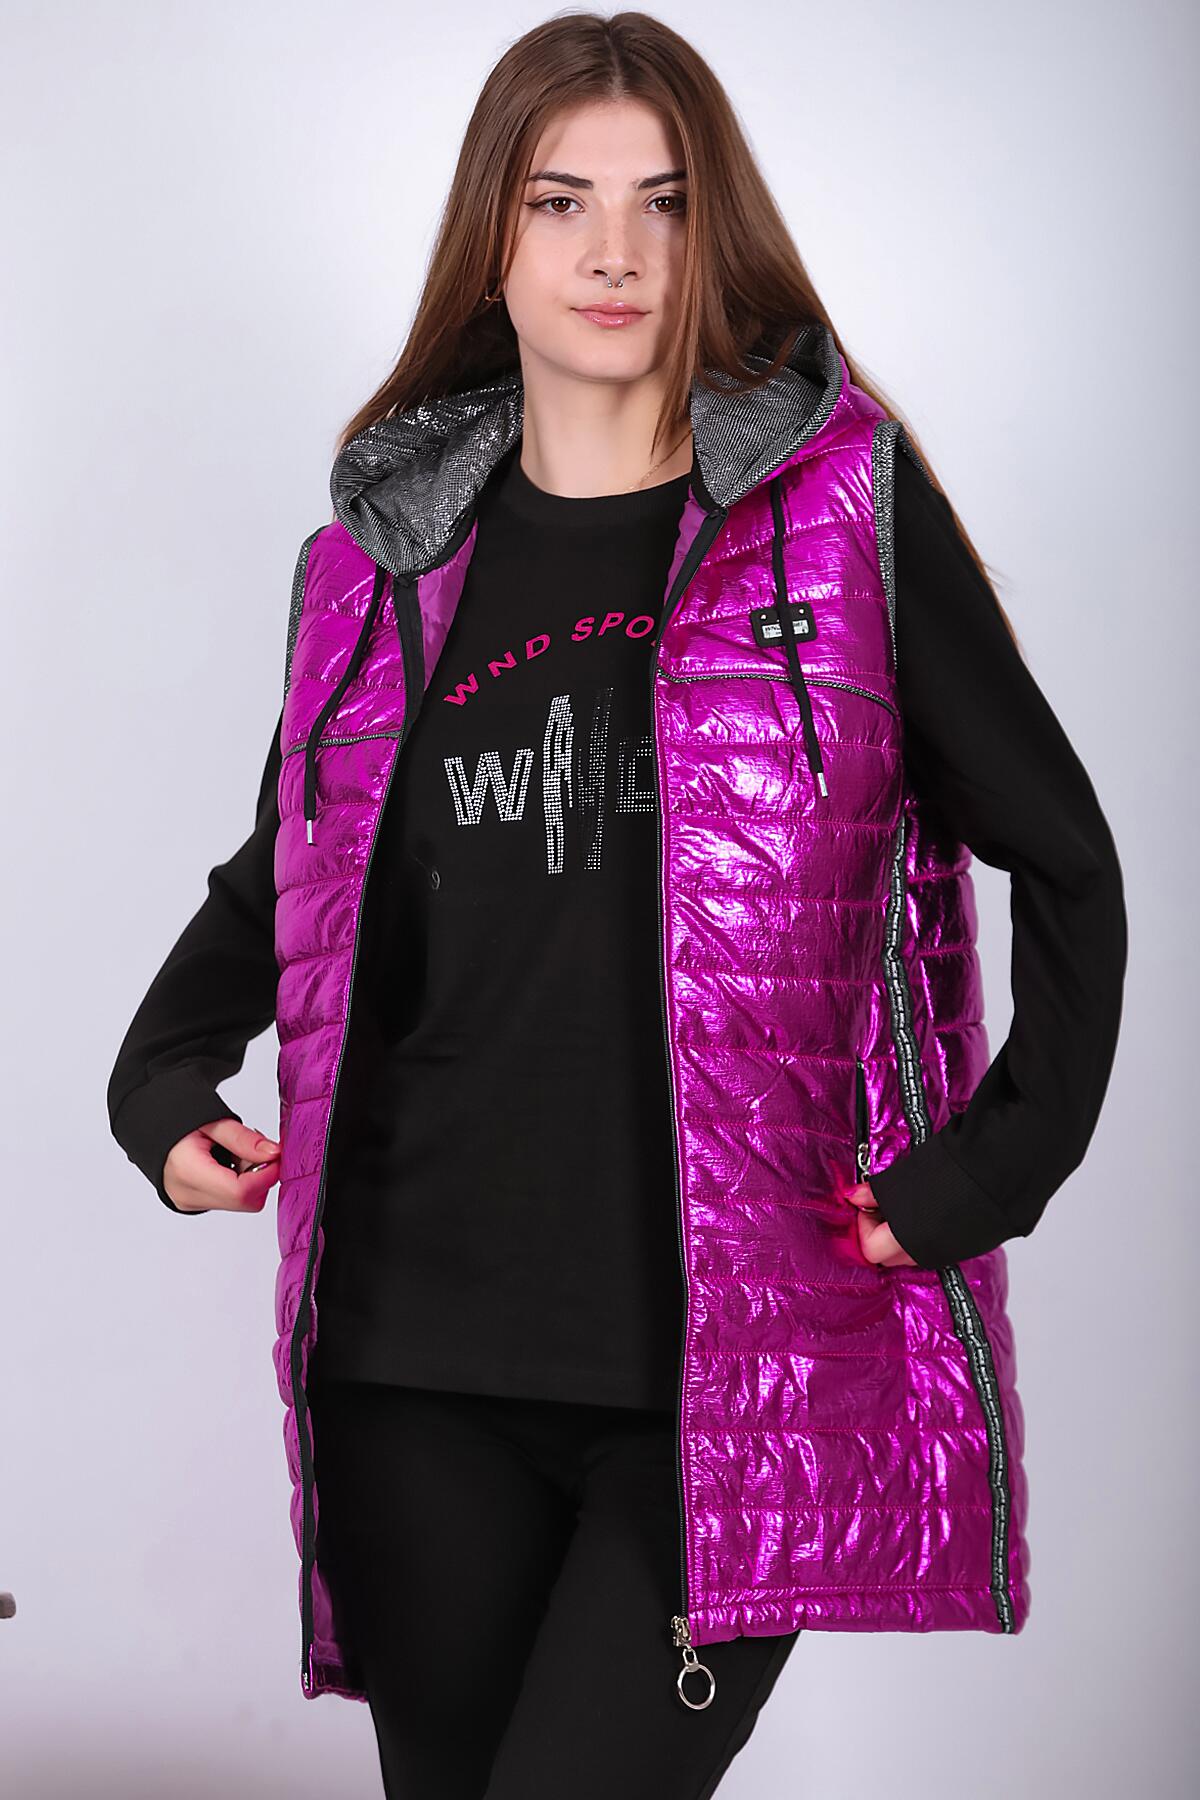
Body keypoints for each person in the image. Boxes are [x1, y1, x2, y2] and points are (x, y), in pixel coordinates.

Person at [106, 12, 1128, 1798]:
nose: (615, 253)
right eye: (561, 201)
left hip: (724, 1391)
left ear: (711, 229)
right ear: (492, 238)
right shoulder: (378, 560)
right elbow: (291, 862)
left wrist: (991, 1171)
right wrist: (160, 1081)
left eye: (663, 203)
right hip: (411, 1363)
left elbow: (1067, 856)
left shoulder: (841, 523)